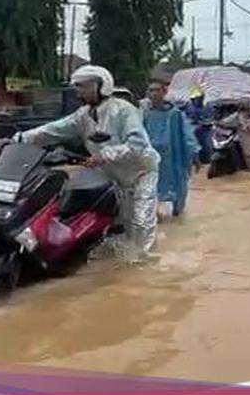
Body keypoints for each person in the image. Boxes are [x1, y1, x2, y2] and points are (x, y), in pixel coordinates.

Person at [9, 65, 161, 261]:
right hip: (115, 176)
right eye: (78, 87)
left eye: (84, 86)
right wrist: (19, 138)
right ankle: (126, 259)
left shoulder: (123, 110)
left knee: (141, 220)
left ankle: (145, 264)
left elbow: (137, 144)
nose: (79, 92)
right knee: (125, 222)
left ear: (101, 85)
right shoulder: (82, 116)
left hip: (142, 172)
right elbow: (52, 130)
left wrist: (104, 155)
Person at [140, 79, 199, 217]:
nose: (153, 93)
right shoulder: (143, 113)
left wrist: (194, 153)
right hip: (150, 156)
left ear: (164, 92)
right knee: (150, 185)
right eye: (151, 90)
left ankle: (178, 213)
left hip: (172, 156)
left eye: (157, 90)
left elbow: (187, 135)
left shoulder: (175, 114)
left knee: (177, 183)